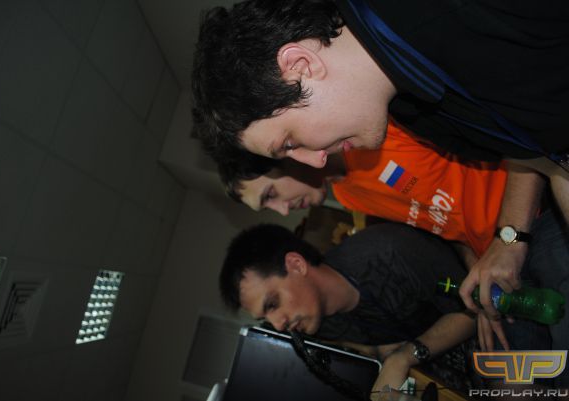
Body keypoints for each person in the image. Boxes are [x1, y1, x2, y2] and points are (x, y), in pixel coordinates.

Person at [192, 0, 569, 343]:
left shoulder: (438, 26)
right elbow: (539, 151)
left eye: (289, 143)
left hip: (534, 223)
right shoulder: (409, 108)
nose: (314, 160)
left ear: (301, 66)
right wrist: (482, 261)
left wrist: (509, 238)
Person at [220, 217, 569, 391]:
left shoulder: (387, 252)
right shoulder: (316, 323)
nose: (278, 323)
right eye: (267, 317)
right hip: (449, 364)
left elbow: (470, 306)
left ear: (296, 264)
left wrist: (404, 356)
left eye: (272, 303)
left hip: (497, 316)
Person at [220, 122, 508, 262]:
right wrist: (477, 268)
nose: (283, 211)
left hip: (522, 220)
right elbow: (448, 225)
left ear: (286, 155)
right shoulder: (347, 197)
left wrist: (508, 242)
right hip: (498, 258)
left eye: (271, 195)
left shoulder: (375, 130)